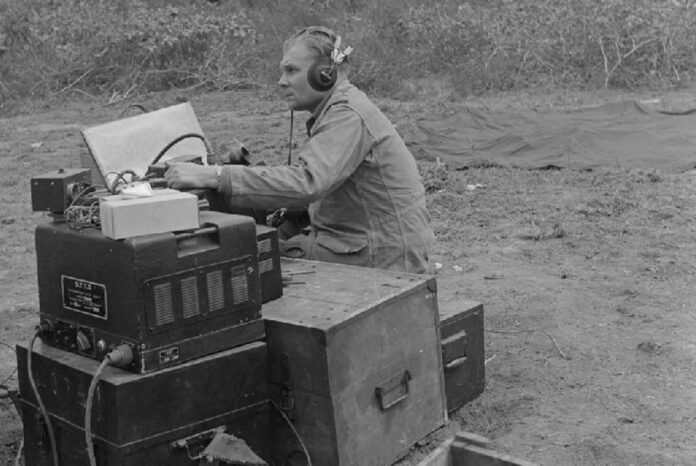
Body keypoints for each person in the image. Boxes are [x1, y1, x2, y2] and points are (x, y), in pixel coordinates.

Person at [165, 26, 434, 274]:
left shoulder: (347, 115)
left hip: (380, 257)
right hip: (360, 241)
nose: (281, 81)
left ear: (324, 74)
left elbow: (308, 182)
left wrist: (215, 176)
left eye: (291, 70)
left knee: (239, 262)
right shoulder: (338, 109)